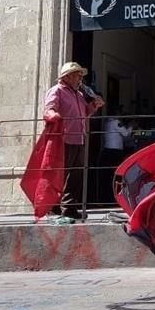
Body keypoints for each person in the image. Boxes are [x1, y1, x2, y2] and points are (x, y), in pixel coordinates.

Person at [43, 62, 105, 222]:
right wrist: (53, 115)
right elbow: (48, 109)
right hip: (63, 138)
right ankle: (54, 206)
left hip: (79, 137)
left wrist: (94, 105)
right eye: (77, 75)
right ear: (68, 76)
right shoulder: (56, 91)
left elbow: (85, 112)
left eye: (80, 75)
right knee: (62, 173)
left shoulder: (78, 95)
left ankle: (69, 207)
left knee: (75, 175)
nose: (80, 78)